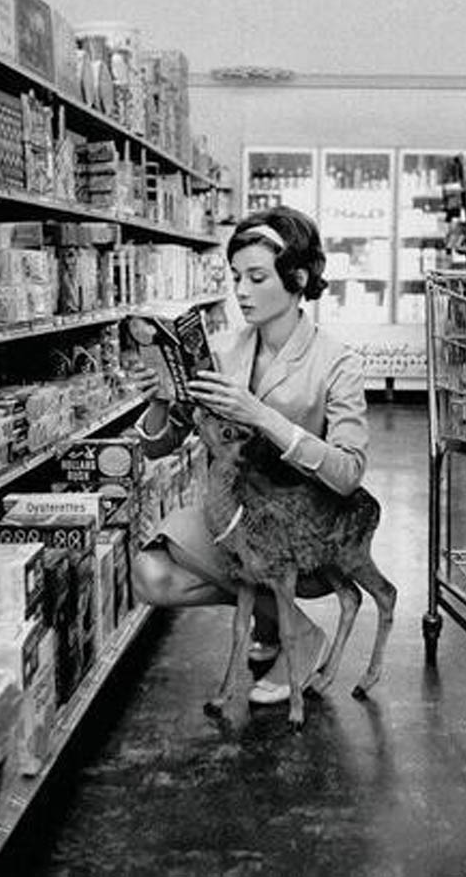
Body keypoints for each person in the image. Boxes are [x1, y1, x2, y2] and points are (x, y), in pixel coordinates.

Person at [130, 205, 370, 704]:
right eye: (235, 276)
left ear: (297, 278)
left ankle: (288, 630)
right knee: (151, 574)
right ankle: (285, 626)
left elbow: (348, 474)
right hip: (236, 517)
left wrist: (262, 415)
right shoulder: (219, 350)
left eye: (256, 277)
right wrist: (159, 396)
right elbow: (158, 446)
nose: (240, 291)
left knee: (196, 559)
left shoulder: (338, 363)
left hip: (302, 530)